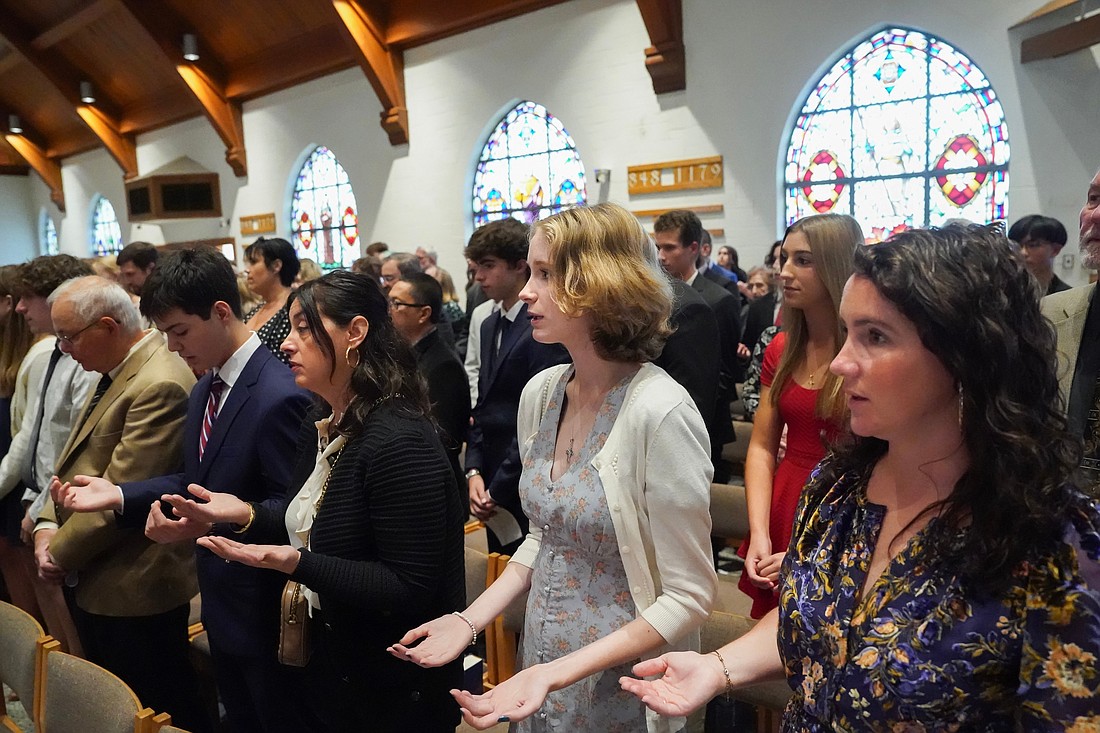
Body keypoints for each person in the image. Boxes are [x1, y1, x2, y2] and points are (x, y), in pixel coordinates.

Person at [622, 224, 1100, 728]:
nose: (841, 363)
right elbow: (813, 616)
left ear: (968, 354)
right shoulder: (837, 486)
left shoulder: (1056, 542)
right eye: (848, 332)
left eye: (875, 337)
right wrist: (717, 667)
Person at [391, 203, 717, 732]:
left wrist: (558, 673)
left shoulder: (659, 411)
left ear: (600, 284)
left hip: (626, 677)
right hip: (543, 660)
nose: (526, 290)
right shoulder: (542, 394)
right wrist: (468, 620)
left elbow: (689, 597)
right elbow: (544, 537)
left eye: (545, 274)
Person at [185, 271, 466, 732]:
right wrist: (244, 513)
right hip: (335, 660)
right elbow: (309, 518)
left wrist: (294, 562)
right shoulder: (324, 419)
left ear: (355, 332)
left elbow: (407, 585)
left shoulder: (398, 439)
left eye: (304, 328)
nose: (287, 344)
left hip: (393, 679)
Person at [53, 248, 311, 733]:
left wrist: (217, 518)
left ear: (219, 312)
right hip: (221, 599)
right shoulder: (207, 385)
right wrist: (118, 495)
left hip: (263, 607)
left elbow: (296, 514)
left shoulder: (280, 395)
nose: (172, 348)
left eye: (180, 332)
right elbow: (197, 480)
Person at [33, 276, 207, 731]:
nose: (64, 349)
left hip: (134, 580)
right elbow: (74, 462)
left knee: (157, 705)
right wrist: (45, 526)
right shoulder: (120, 369)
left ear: (108, 327)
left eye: (69, 336)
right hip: (101, 572)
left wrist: (56, 553)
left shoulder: (159, 381)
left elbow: (122, 493)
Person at [738, 213, 860, 618]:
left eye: (803, 261)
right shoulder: (783, 348)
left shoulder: (864, 352)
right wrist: (759, 532)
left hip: (845, 510)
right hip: (785, 499)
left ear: (837, 265)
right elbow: (760, 447)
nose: (784, 272)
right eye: (784, 259)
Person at [463, 219, 569, 554]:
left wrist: (499, 486)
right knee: (499, 561)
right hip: (491, 468)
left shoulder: (539, 328)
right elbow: (482, 404)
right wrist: (474, 471)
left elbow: (541, 420)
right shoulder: (489, 321)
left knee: (529, 564)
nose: (479, 277)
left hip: (524, 469)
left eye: (489, 266)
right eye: (476, 267)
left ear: (519, 266)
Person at [654, 209, 741, 482]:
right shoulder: (655, 296)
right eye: (657, 247)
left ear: (694, 248)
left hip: (704, 424)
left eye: (669, 248)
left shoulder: (720, 298)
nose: (660, 256)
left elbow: (726, 372)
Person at [390, 273, 469, 486]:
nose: (389, 311)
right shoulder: (405, 354)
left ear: (423, 313)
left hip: (433, 484)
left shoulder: (443, 366)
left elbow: (443, 440)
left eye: (396, 304)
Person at [0, 265, 42, 620]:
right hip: (7, 464)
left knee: (23, 559)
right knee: (9, 555)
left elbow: (29, 434)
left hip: (16, 473)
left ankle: (38, 654)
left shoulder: (36, 353)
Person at [244, 237, 300, 366]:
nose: (247, 269)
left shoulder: (294, 309)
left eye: (253, 262)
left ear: (276, 266)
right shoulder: (255, 311)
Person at [1009, 214, 1071, 296]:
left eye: (1032, 245)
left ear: (1055, 250)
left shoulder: (1067, 296)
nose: (1023, 252)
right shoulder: (1003, 293)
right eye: (1017, 245)